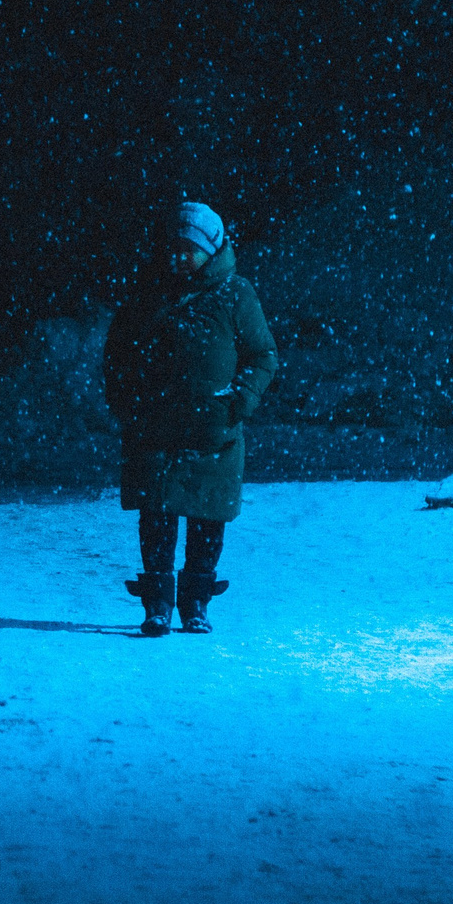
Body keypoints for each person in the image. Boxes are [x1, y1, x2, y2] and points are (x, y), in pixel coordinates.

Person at [100, 200, 277, 636]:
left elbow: (262, 356)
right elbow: (117, 355)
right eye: (174, 248)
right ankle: (157, 605)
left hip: (214, 433)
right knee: (156, 518)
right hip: (154, 431)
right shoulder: (147, 295)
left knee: (207, 519)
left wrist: (237, 401)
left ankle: (196, 603)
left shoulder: (236, 295)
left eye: (189, 250)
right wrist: (128, 405)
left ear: (210, 250)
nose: (179, 257)